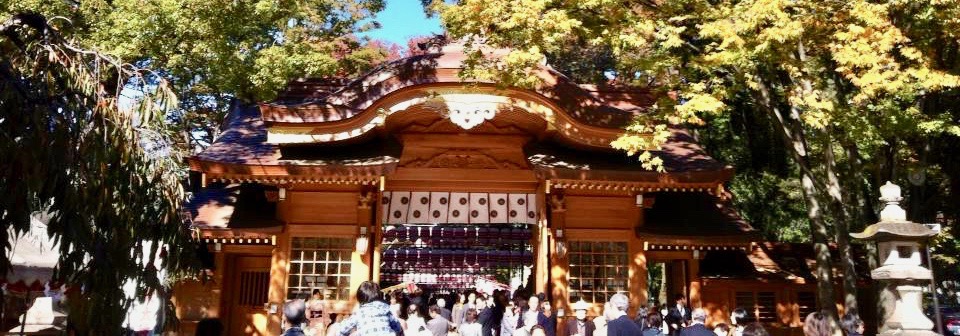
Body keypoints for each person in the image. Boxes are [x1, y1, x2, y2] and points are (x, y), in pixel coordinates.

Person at [337, 281, 404, 336]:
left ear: (360, 298)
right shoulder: (385, 310)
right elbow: (398, 328)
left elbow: (342, 329)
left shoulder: (360, 313)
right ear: (379, 296)